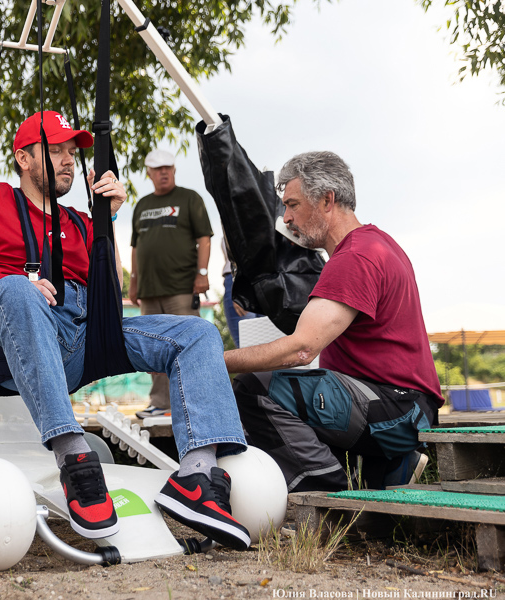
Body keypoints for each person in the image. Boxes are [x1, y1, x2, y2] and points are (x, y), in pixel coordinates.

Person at [0, 111, 250, 549]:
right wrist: (7, 285)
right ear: (23, 158)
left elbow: (107, 300)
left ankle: (196, 477)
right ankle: (74, 458)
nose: (68, 160)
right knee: (17, 289)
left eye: (71, 152)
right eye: (55, 150)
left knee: (197, 334)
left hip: (84, 339)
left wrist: (107, 220)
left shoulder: (79, 221)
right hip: (15, 337)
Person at [224, 151, 442, 492]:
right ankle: (387, 467)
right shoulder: (377, 244)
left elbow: (301, 350)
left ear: (327, 200)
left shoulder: (354, 257)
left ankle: (331, 489)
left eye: (293, 205)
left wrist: (211, 360)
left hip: (398, 412)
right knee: (305, 395)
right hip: (405, 408)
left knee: (253, 389)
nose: (286, 217)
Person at [129, 149, 215, 420]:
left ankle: (195, 405)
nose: (163, 172)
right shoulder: (142, 205)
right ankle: (160, 403)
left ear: (174, 170)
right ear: (149, 173)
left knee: (187, 346)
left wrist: (202, 273)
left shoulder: (190, 198)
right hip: (149, 290)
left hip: (181, 288)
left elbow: (204, 238)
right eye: (157, 169)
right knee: (151, 349)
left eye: (167, 167)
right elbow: (135, 247)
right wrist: (133, 281)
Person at [220, 237, 261, 348]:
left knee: (249, 347)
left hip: (245, 277)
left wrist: (241, 283)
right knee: (251, 347)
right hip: (254, 277)